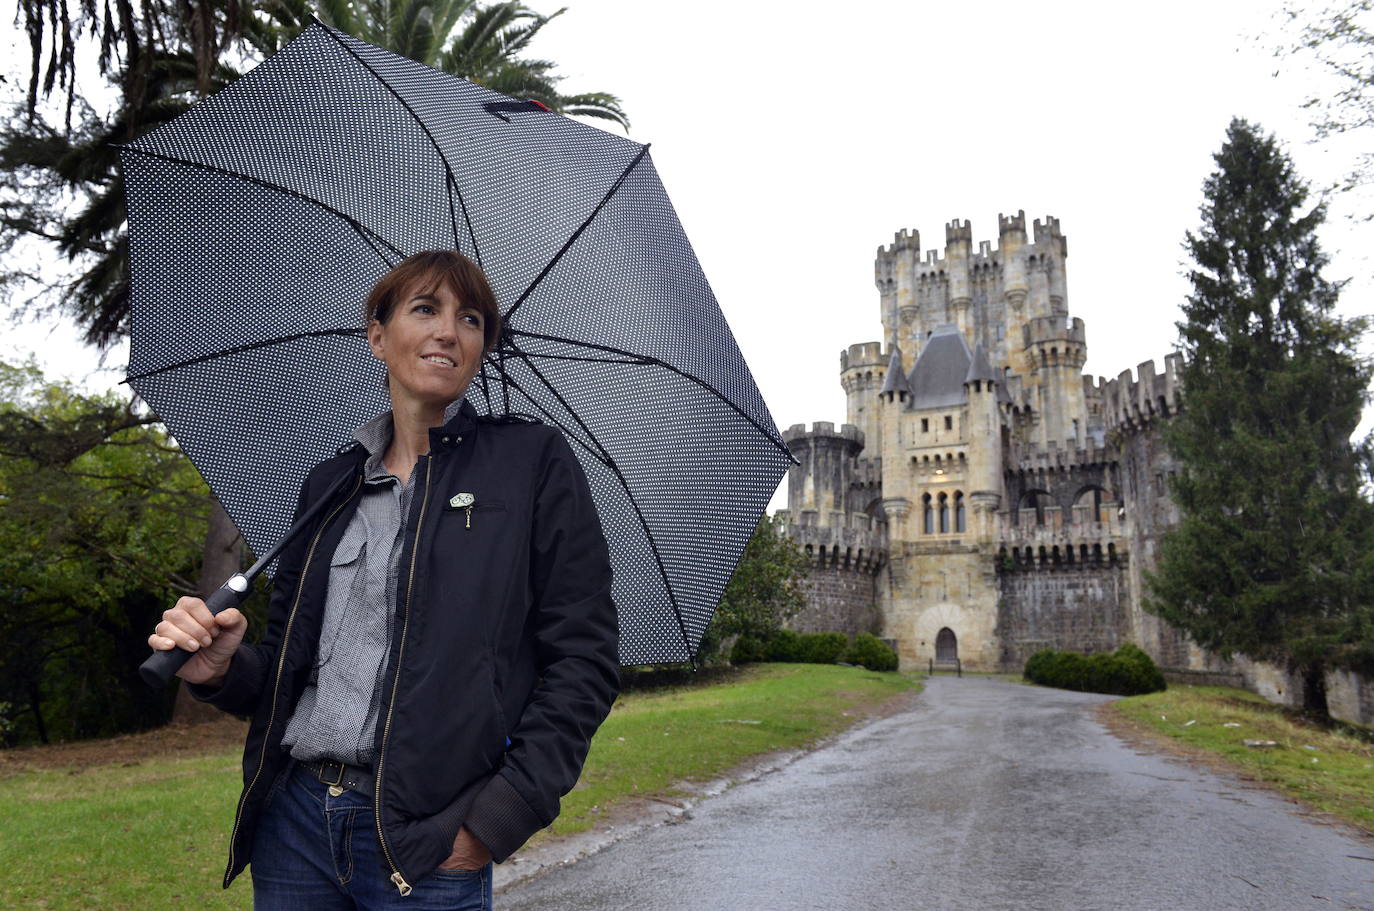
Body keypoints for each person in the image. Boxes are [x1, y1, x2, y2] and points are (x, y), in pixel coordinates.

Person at [147, 250, 620, 910]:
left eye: (472, 319)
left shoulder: (530, 462)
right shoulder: (330, 484)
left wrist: (496, 819)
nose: (448, 331)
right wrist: (223, 669)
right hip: (294, 824)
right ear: (378, 336)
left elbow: (584, 658)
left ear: (482, 347)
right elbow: (290, 670)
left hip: (426, 843)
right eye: (425, 309)